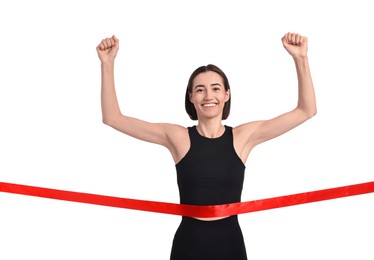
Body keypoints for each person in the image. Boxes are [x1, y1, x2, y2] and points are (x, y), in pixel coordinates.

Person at [96, 32, 316, 260]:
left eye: (216, 88)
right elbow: (113, 118)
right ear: (191, 97)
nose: (208, 95)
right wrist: (107, 63)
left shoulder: (243, 137)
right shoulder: (177, 137)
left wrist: (301, 58)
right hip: (188, 246)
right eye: (200, 89)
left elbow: (306, 110)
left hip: (229, 245)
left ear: (227, 94)